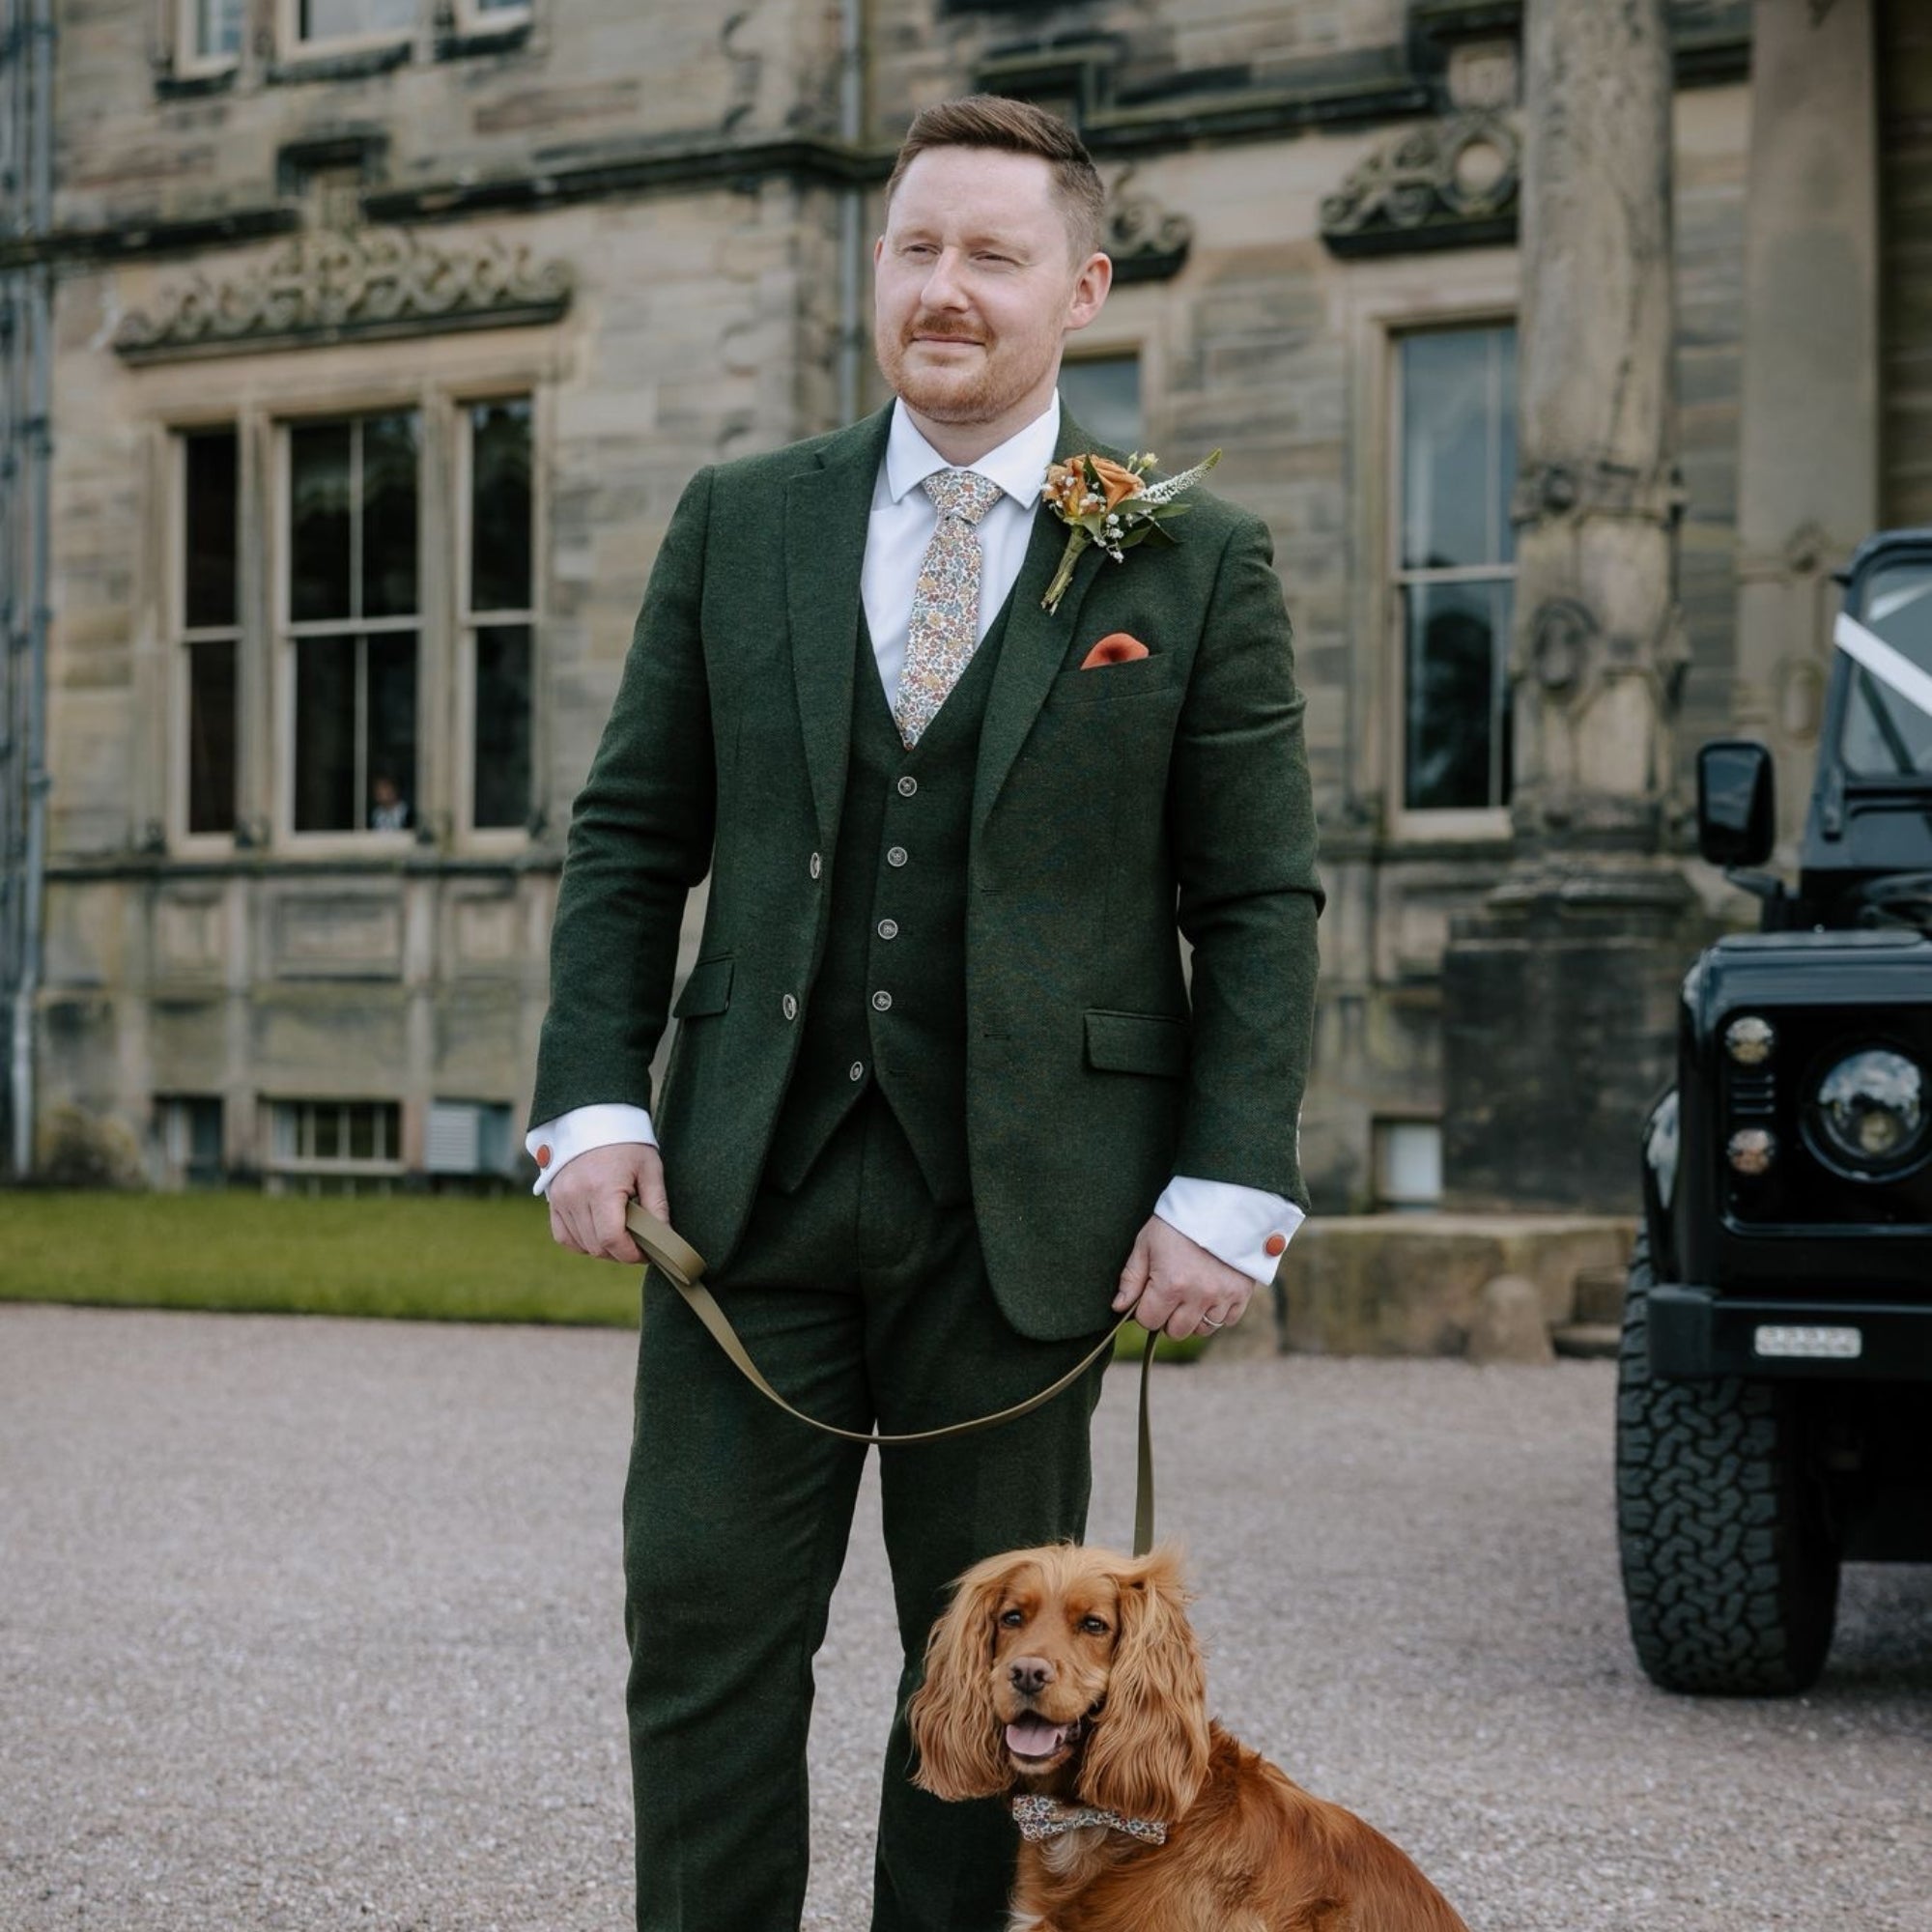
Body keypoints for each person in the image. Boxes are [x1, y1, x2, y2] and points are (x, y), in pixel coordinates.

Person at [526, 96, 1321, 1932]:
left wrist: (1229, 1183)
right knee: (705, 1642)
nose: (943, 289)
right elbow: (633, 836)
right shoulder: (743, 520)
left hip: (1031, 1214)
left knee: (1003, 1701)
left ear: (1085, 288)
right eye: (915, 248)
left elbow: (1257, 901)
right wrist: (593, 1100)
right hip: (744, 1195)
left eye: (992, 254)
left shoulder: (1191, 561)